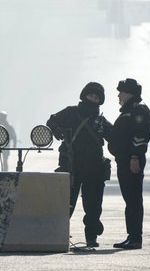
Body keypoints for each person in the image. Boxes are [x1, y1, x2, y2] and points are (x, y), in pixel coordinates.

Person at [46, 82, 112, 248]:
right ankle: (58, 235)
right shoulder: (71, 113)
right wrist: (57, 131)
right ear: (84, 96)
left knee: (93, 206)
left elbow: (115, 137)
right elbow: (51, 121)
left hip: (93, 168)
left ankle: (91, 237)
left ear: (100, 101)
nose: (93, 99)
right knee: (65, 204)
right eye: (91, 95)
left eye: (96, 97)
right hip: (71, 166)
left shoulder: (101, 121)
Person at [108, 78, 150, 250]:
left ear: (129, 94)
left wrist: (135, 157)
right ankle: (131, 236)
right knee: (129, 200)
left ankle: (136, 238)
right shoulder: (127, 111)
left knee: (134, 199)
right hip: (123, 160)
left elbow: (140, 135)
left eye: (122, 92)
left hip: (132, 161)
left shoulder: (138, 110)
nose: (119, 95)